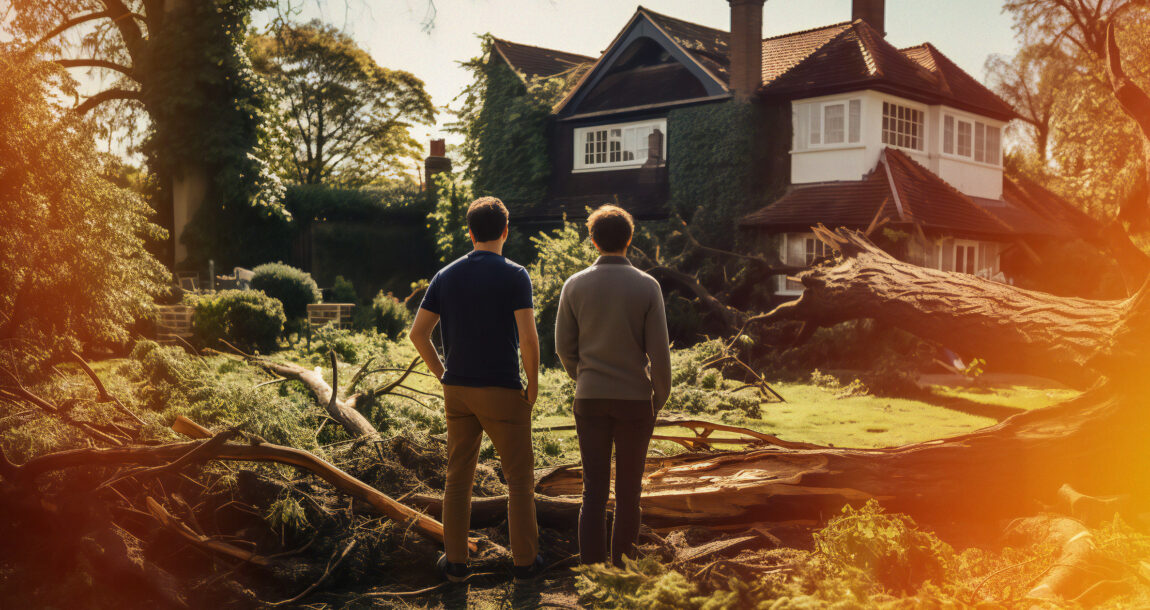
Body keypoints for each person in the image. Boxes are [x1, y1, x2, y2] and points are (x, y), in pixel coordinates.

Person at [408, 196, 544, 582]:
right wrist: (532, 385)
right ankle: (524, 564)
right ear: (505, 231)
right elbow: (529, 339)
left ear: (469, 233)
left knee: (458, 477)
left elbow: (419, 334)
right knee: (519, 481)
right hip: (502, 388)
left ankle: (455, 564)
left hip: (459, 391)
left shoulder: (445, 275)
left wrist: (442, 374)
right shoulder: (515, 274)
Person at [554, 204, 671, 567]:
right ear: (630, 239)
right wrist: (658, 397)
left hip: (589, 399)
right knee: (628, 493)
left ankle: (590, 569)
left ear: (593, 240)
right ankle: (622, 571)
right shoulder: (648, 285)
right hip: (635, 401)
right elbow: (660, 355)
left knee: (593, 492)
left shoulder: (574, 285)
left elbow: (563, 347)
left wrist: (585, 378)